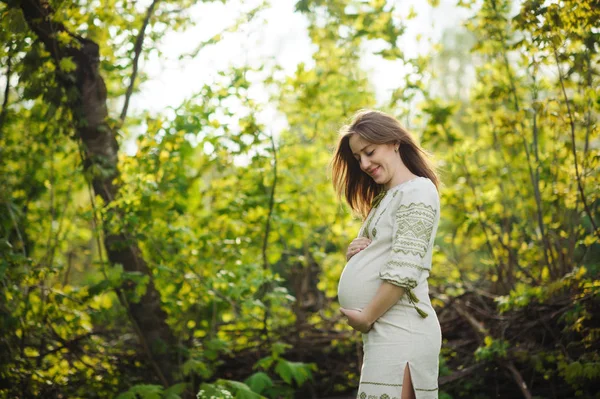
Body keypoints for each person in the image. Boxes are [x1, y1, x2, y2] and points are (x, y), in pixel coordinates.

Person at [331, 110, 442, 399]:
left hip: (403, 332)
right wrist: (356, 255)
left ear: (394, 141)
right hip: (386, 332)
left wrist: (366, 317)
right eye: (358, 158)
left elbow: (405, 270)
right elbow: (385, 253)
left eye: (369, 152)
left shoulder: (417, 191)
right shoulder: (387, 197)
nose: (364, 164)